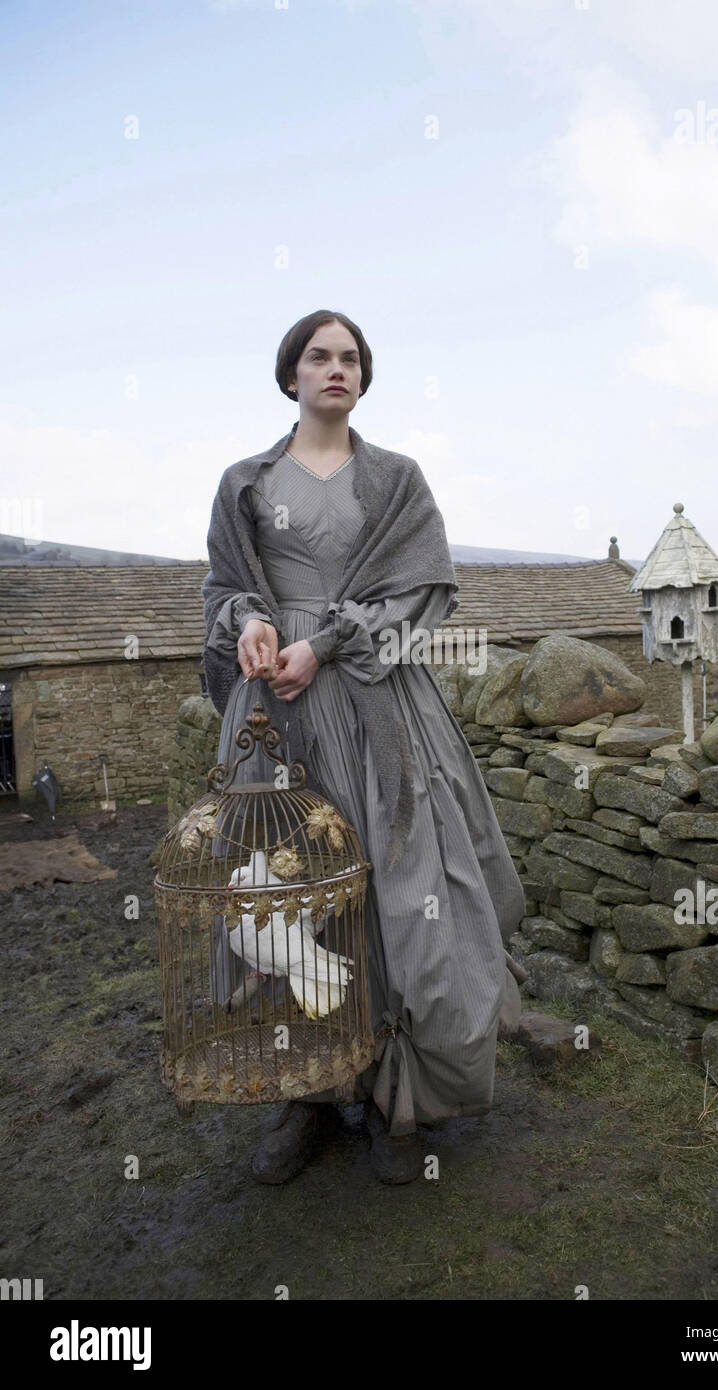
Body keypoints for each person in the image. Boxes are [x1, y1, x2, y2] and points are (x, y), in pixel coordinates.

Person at [201, 310, 525, 1185]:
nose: (335, 369)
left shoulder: (395, 482)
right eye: (319, 356)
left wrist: (328, 641)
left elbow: (424, 590)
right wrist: (256, 625)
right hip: (279, 720)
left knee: (391, 888)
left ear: (362, 378)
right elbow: (224, 590)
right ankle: (304, 1094)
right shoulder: (244, 481)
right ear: (290, 375)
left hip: (379, 707)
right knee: (284, 894)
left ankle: (394, 1099)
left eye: (349, 358)